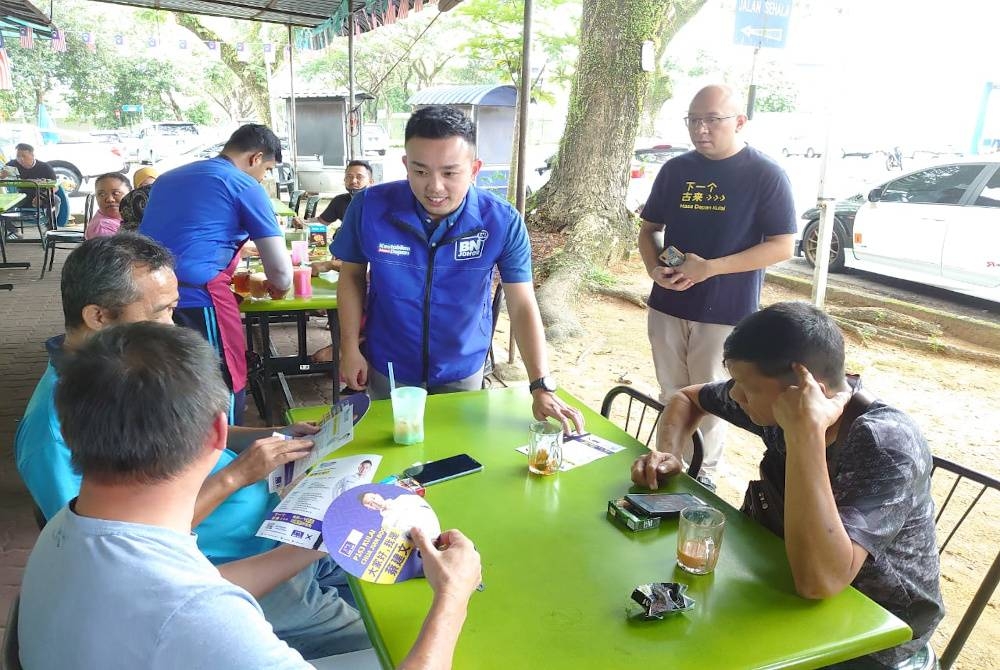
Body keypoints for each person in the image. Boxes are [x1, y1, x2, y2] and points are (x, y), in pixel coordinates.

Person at [19, 322, 483, 670]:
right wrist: (453, 598)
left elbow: (198, 586)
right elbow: (195, 606)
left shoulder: (71, 527)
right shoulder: (204, 621)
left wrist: (318, 536)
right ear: (219, 433)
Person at [14, 234, 369, 659]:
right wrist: (236, 476)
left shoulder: (125, 377)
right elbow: (116, 543)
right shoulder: (55, 434)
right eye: (161, 311)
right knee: (387, 633)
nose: (172, 324)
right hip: (228, 566)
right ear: (99, 316)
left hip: (273, 533)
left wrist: (269, 434)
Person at [630, 301, 944, 669]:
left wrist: (804, 433)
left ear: (804, 388)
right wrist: (670, 454)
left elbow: (819, 583)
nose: (734, 396)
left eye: (746, 387)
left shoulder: (884, 444)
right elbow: (687, 397)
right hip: (779, 580)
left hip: (875, 634)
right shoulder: (774, 401)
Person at [332, 105, 584, 433]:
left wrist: (540, 383)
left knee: (457, 454)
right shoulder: (369, 207)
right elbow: (350, 276)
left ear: (474, 168)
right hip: (388, 364)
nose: (435, 187)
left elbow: (522, 303)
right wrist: (350, 347)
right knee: (391, 457)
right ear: (406, 165)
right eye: (420, 171)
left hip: (462, 367)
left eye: (450, 173)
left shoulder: (501, 221)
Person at [638, 84, 796, 479]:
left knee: (713, 398)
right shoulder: (676, 170)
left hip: (725, 311)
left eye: (712, 120)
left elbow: (782, 246)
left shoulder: (766, 174)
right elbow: (649, 230)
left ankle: (702, 474)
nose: (701, 129)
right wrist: (653, 267)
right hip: (667, 305)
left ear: (740, 122)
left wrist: (710, 268)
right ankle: (666, 465)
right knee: (671, 393)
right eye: (694, 120)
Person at [140, 124, 293, 424]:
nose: (264, 177)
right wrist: (279, 286)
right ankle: (221, 458)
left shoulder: (168, 178)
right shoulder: (243, 185)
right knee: (218, 388)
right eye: (267, 169)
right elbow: (281, 272)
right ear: (255, 157)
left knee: (167, 385)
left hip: (144, 295)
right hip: (196, 300)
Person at [1, 143, 58, 240]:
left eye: (24, 156)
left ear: (32, 155)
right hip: (20, 197)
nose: (20, 159)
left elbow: (55, 187)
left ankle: (49, 229)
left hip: (39, 196)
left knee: (56, 200)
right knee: (2, 204)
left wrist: (41, 196)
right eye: (18, 156)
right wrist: (3, 175)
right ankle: (13, 230)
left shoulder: (45, 167)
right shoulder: (12, 165)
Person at [360, 491, 440, 538]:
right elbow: (404, 541)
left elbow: (427, 510)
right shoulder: (385, 525)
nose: (375, 502)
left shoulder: (403, 498)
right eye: (370, 504)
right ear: (370, 509)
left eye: (373, 498)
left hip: (435, 532)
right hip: (424, 546)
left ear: (378, 495)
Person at [84, 172, 131, 239]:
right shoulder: (102, 228)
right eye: (102, 194)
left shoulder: (129, 216)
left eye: (116, 193)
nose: (109, 199)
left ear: (131, 193)